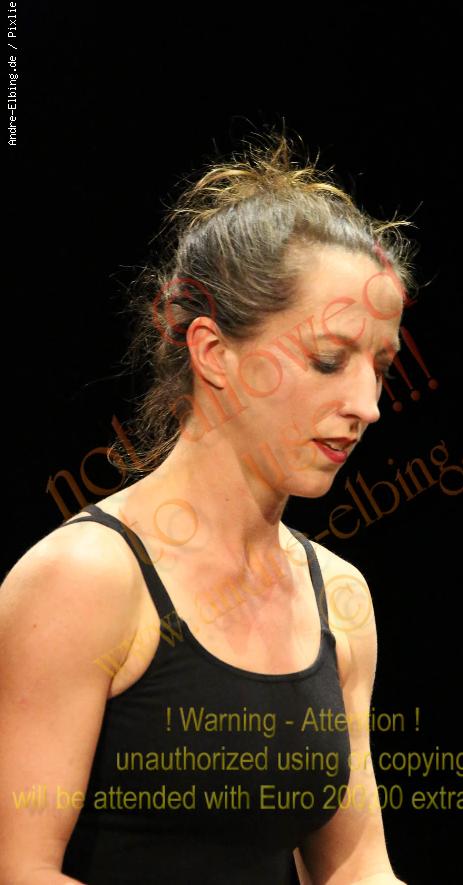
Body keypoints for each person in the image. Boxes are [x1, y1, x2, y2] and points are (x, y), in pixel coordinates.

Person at [0, 130, 414, 884]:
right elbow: (20, 869)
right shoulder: (85, 579)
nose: (368, 404)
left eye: (381, 367)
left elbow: (357, 866)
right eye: (329, 359)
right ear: (214, 352)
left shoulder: (338, 595)